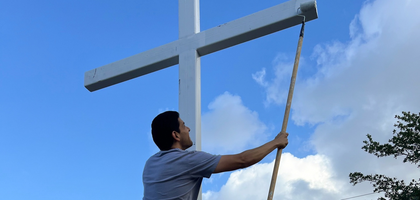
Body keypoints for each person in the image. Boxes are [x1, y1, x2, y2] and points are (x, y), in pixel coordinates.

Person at [143, 111, 288, 200]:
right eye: (183, 126)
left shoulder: (150, 164)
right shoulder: (187, 160)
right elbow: (243, 160)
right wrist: (276, 142)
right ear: (176, 135)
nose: (188, 128)